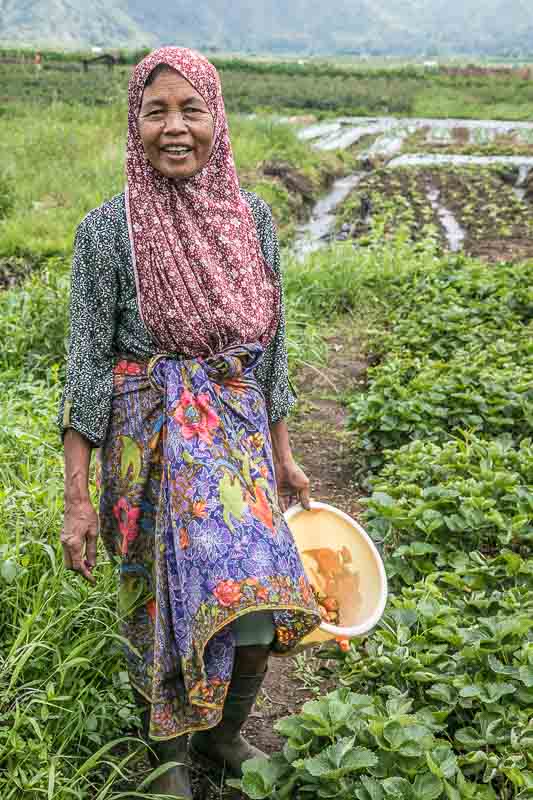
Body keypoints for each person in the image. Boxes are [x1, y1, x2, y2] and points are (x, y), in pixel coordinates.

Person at [58, 46, 321, 799]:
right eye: (155, 111)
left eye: (191, 109)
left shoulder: (252, 219)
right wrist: (78, 498)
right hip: (149, 441)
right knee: (158, 599)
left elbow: (269, 350)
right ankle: (170, 751)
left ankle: (224, 734)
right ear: (133, 123)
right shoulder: (106, 233)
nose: (175, 128)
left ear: (218, 118)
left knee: (261, 592)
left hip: (235, 435)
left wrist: (284, 454)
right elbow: (84, 368)